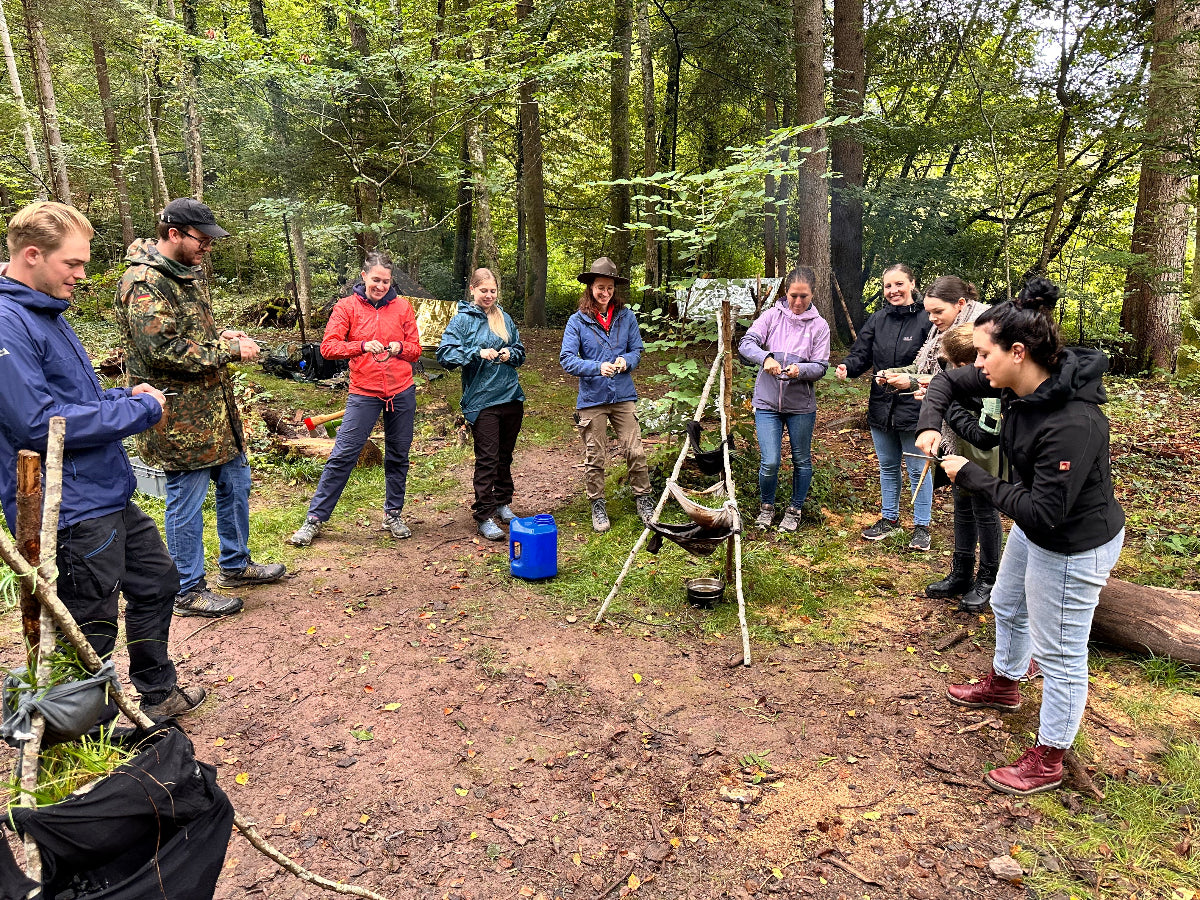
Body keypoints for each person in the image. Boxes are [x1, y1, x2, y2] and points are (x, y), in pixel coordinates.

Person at [916, 277, 1125, 796]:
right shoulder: (1017, 382)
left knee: (1061, 655)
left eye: (985, 354)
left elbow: (1047, 511)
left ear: (1017, 351)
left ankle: (1050, 756)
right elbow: (946, 383)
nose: (978, 365)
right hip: (1037, 528)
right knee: (1008, 603)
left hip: (1072, 544)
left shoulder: (1072, 422)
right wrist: (928, 425)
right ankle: (1006, 684)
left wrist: (971, 475)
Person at [0, 201, 205, 721]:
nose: (81, 275)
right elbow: (38, 424)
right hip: (65, 504)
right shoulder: (7, 324)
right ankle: (92, 733)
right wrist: (137, 411)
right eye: (72, 263)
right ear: (31, 255)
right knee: (90, 621)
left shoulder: (45, 309)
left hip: (102, 489)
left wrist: (118, 398)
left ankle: (157, 695)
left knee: (157, 581)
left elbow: (70, 397)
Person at [116, 198, 284, 619]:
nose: (208, 246)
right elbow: (161, 350)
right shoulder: (143, 281)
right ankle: (187, 590)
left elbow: (187, 332)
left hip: (215, 414)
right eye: (202, 239)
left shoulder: (185, 273)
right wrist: (228, 349)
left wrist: (219, 333)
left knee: (236, 485)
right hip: (180, 420)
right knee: (186, 502)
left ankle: (236, 565)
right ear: (174, 233)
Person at [290, 250, 421, 546]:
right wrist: (361, 346)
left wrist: (399, 348)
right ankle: (314, 519)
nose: (381, 286)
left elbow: (415, 349)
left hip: (401, 391)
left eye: (386, 281)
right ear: (364, 277)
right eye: (376, 279)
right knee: (343, 456)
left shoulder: (403, 307)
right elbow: (328, 348)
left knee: (398, 455)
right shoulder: (346, 307)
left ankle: (393, 514)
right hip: (364, 392)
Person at [879, 275, 998, 600]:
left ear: (960, 305)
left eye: (936, 312)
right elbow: (939, 374)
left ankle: (989, 579)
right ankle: (961, 572)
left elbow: (978, 389)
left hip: (977, 437)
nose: (930, 319)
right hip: (953, 433)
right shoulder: (945, 332)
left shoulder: (982, 335)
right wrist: (911, 379)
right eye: (928, 313)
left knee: (984, 508)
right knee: (961, 502)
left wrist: (938, 397)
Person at [836, 263, 934, 550]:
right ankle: (889, 519)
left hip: (915, 405)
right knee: (888, 466)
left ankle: (922, 526)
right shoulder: (877, 319)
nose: (893, 291)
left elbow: (936, 363)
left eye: (899, 284)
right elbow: (861, 355)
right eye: (888, 286)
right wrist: (846, 367)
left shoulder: (928, 320)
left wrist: (914, 382)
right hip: (881, 405)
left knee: (918, 469)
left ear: (912, 284)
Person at [559, 257, 654, 533]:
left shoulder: (626, 317)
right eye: (600, 288)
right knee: (595, 454)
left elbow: (637, 350)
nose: (605, 293)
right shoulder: (577, 321)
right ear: (590, 288)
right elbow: (567, 359)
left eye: (610, 288)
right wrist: (597, 367)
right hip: (592, 398)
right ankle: (597, 504)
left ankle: (644, 498)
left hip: (624, 394)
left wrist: (627, 361)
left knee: (634, 448)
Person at [738, 266, 830, 531]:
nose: (798, 302)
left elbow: (822, 366)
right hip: (767, 403)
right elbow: (747, 343)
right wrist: (765, 358)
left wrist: (800, 370)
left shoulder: (820, 326)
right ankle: (766, 507)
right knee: (770, 461)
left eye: (804, 296)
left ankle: (795, 509)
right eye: (793, 296)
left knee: (801, 459)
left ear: (813, 294)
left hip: (800, 406)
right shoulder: (771, 316)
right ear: (785, 293)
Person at [437, 268, 526, 541]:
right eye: (484, 290)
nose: (489, 295)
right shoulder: (462, 321)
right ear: (473, 290)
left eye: (493, 291)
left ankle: (502, 502)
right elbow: (445, 354)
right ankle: (484, 514)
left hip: (511, 396)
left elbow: (521, 352)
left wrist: (510, 353)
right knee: (487, 459)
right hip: (482, 401)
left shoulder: (504, 317)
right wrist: (476, 352)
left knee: (504, 456)